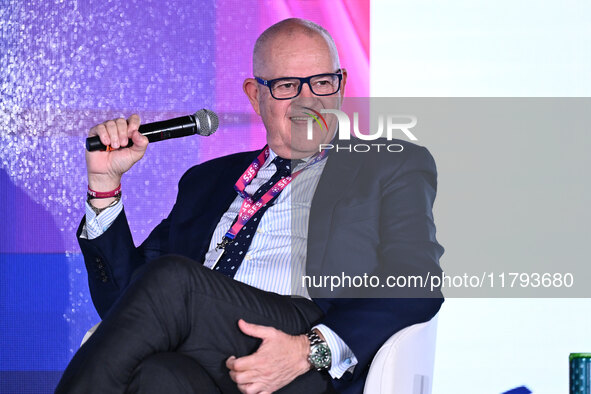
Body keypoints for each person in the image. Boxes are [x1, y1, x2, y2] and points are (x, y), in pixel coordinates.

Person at [56, 18, 444, 394]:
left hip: (300, 346)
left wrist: (311, 348)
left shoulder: (388, 164)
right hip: (203, 355)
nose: (308, 101)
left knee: (173, 278)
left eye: (323, 82)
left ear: (340, 86)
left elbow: (416, 280)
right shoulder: (205, 182)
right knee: (156, 373)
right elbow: (129, 303)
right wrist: (104, 186)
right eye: (288, 86)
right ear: (255, 95)